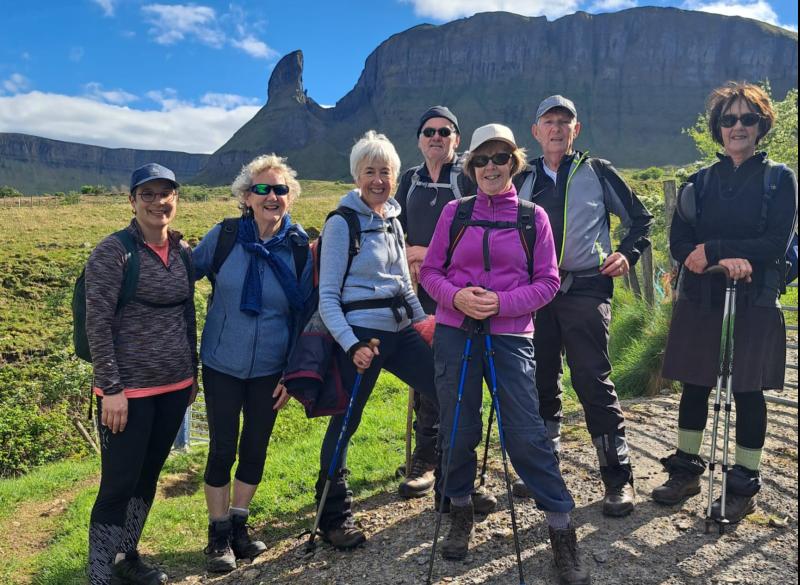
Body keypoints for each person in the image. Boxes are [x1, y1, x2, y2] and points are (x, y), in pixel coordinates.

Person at [420, 124, 590, 584]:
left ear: (514, 162)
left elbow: (549, 282)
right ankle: (459, 511)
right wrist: (457, 298)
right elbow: (431, 273)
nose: (490, 167)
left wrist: (500, 304)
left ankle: (561, 531)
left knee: (525, 433)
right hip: (457, 331)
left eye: (499, 158)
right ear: (470, 166)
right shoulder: (455, 214)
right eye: (481, 160)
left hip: (512, 335)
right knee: (457, 430)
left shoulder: (532, 217)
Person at [654, 82, 797, 522]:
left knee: (748, 389)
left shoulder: (780, 179)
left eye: (747, 118)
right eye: (729, 119)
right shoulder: (699, 182)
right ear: (718, 127)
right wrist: (718, 256)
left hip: (753, 298)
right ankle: (686, 471)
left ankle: (743, 485)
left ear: (761, 125)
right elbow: (679, 242)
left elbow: (775, 242)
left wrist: (716, 250)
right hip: (702, 296)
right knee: (696, 384)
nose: (738, 127)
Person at [511, 95, 653, 517]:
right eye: (548, 121)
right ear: (535, 132)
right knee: (540, 381)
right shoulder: (522, 176)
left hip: (587, 288)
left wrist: (628, 253)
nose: (556, 128)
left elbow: (640, 220)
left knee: (592, 379)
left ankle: (618, 478)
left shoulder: (597, 171)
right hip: (536, 294)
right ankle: (544, 470)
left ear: (577, 130)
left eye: (564, 122)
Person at [314, 130, 438, 549]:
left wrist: (424, 325)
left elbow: (405, 283)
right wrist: (351, 345)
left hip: (402, 330)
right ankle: (333, 514)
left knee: (443, 386)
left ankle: (454, 486)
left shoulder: (393, 221)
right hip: (361, 336)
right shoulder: (340, 223)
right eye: (370, 172)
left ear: (396, 176)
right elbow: (328, 297)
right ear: (356, 175)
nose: (378, 180)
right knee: (347, 420)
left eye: (385, 171)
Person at [192, 154, 314, 572]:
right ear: (246, 197)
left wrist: (292, 373)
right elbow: (182, 275)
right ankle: (217, 534)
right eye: (262, 189)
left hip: (271, 369)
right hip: (222, 363)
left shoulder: (299, 248)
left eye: (280, 189)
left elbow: (304, 315)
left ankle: (240, 528)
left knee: (255, 446)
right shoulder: (225, 236)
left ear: (291, 197)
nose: (272, 196)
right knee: (223, 446)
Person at [85, 163, 197, 585]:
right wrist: (111, 390)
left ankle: (127, 555)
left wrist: (193, 377)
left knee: (148, 475)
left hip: (174, 386)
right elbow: (97, 324)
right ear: (132, 202)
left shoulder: (183, 253)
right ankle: (99, 571)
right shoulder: (113, 252)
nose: (157, 202)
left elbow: (188, 317)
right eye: (146, 194)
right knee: (118, 482)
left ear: (176, 199)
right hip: (126, 392)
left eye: (164, 193)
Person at [394, 106, 495, 515]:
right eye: (429, 132)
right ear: (419, 140)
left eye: (445, 132)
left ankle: (458, 461)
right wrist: (407, 253)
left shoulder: (468, 177)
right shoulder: (409, 181)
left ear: (457, 138)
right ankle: (427, 457)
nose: (436, 137)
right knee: (425, 373)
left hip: (460, 292)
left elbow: (481, 228)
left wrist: (427, 253)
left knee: (462, 373)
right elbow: (392, 228)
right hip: (418, 291)